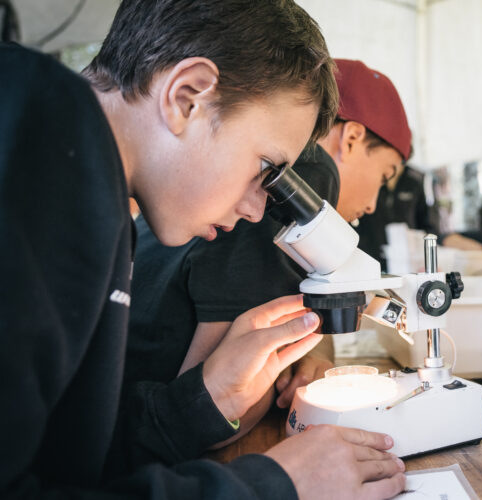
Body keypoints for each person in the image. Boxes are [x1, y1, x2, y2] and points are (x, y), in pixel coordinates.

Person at [0, 2, 405, 499]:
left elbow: (62, 463)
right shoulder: (35, 145)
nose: (259, 211)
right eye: (264, 168)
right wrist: (271, 487)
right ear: (187, 96)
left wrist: (203, 400)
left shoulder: (90, 184)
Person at [124, 57, 412, 460]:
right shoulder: (310, 169)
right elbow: (217, 414)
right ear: (350, 139)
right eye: (384, 176)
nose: (372, 204)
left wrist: (308, 352)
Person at [355, 163, 437, 269]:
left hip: (405, 262)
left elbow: (427, 225)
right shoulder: (369, 176)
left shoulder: (416, 180)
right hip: (369, 258)